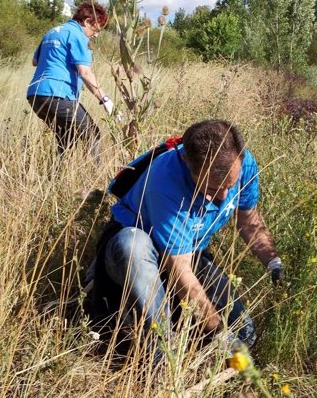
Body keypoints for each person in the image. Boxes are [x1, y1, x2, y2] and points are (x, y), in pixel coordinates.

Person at [88, 119, 285, 350]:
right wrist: (217, 332)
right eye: (212, 188)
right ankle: (161, 350)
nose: (223, 197)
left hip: (189, 252)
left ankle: (182, 328)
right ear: (186, 162)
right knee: (133, 245)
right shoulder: (165, 183)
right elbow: (179, 269)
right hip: (140, 253)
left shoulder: (243, 163)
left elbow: (249, 220)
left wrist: (274, 263)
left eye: (230, 186)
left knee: (244, 334)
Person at [27, 0, 114, 160]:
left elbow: (35, 61)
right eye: (96, 29)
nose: (96, 34)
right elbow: (85, 73)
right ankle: (100, 176)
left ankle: (56, 178)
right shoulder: (77, 35)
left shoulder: (53, 32)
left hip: (35, 95)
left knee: (66, 137)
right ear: (87, 21)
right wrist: (105, 99)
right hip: (58, 94)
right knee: (92, 133)